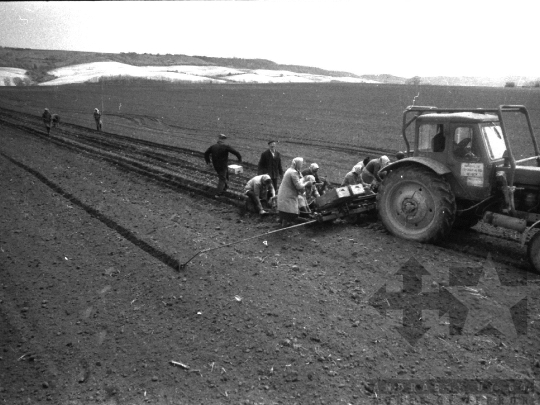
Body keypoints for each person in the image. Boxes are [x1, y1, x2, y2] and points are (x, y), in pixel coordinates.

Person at [277, 157, 311, 226]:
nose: (301, 166)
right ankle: (306, 221)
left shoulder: (290, 170)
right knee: (292, 214)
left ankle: (283, 222)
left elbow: (297, 182)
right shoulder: (293, 172)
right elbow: (299, 186)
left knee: (286, 212)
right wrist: (307, 183)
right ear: (297, 164)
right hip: (288, 196)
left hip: (284, 195)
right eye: (301, 164)